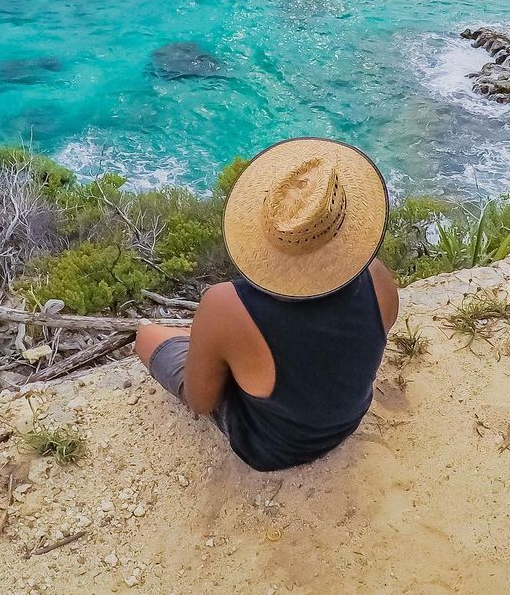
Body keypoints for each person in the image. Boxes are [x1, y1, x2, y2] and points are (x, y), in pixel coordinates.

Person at [135, 137, 398, 472]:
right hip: (347, 421)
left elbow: (201, 401)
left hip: (271, 449)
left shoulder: (224, 303)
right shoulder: (378, 277)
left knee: (146, 335)